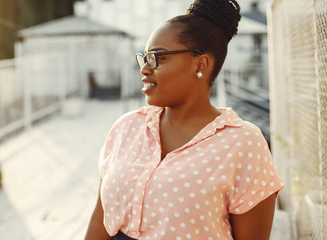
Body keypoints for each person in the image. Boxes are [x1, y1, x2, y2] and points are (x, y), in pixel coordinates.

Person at [85, 0, 285, 239]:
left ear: (200, 64)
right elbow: (100, 222)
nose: (145, 69)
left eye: (158, 58)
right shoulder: (125, 127)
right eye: (145, 58)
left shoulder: (243, 142)